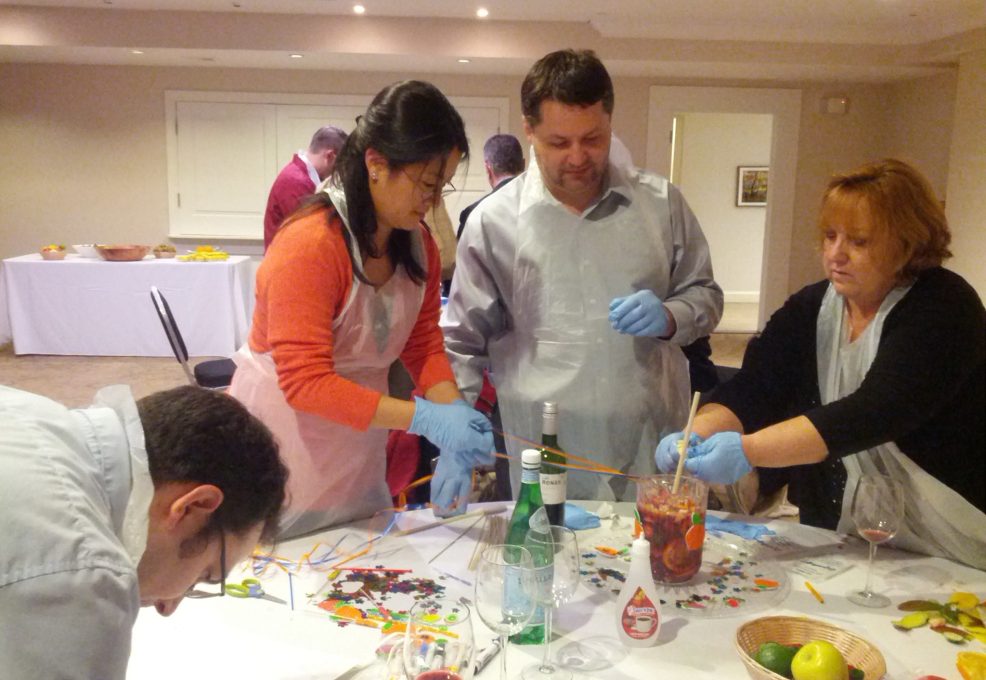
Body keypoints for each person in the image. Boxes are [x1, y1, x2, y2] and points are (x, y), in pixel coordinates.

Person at [656, 158, 986, 569]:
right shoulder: (813, 306)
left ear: (907, 244)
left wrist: (748, 450)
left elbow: (871, 412)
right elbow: (756, 386)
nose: (836, 254)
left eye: (859, 242)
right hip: (842, 529)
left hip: (949, 531)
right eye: (830, 236)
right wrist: (696, 433)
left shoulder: (945, 307)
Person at [442, 49, 723, 502]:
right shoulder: (493, 222)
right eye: (559, 142)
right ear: (528, 130)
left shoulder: (661, 204)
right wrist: (453, 430)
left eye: (593, 139)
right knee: (549, 566)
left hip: (649, 446)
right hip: (542, 450)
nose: (578, 157)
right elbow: (461, 342)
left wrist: (672, 316)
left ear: (610, 121)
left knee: (648, 570)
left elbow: (706, 295)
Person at [229, 80, 494, 538]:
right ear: (375, 162)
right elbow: (306, 382)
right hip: (283, 444)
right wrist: (426, 418)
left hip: (356, 443)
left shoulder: (418, 245)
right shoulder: (310, 243)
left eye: (441, 186)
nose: (433, 202)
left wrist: (454, 419)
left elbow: (423, 341)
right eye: (427, 184)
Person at [0, 384, 287, 678]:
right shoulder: (84, 572)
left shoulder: (30, 413)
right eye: (204, 576)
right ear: (191, 507)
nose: (168, 607)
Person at [263, 125, 348, 251]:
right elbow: (310, 232)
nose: (338, 171)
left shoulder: (300, 176)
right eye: (339, 165)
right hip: (288, 262)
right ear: (330, 156)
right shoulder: (295, 181)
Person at [456, 133, 525, 239]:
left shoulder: (473, 214)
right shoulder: (547, 206)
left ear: (488, 169)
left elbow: (461, 255)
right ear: (523, 164)